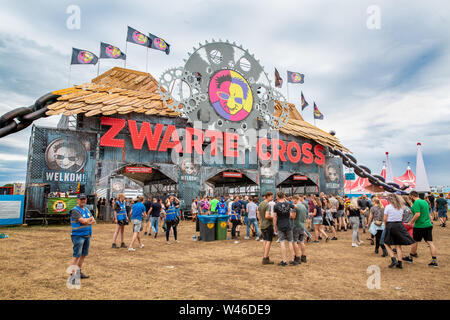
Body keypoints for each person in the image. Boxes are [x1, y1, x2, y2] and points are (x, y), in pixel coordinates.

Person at [406, 191, 438, 267]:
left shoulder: (416, 203)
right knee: (430, 242)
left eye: (410, 196)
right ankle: (434, 260)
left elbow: (417, 214)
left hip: (419, 226)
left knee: (414, 241)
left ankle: (410, 257)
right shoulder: (424, 201)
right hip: (428, 224)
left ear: (412, 196)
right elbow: (424, 212)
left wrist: (411, 222)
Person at [383, 194, 415, 269]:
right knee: (398, 245)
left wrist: (385, 226)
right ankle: (400, 263)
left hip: (390, 224)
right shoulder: (401, 207)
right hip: (399, 225)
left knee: (386, 243)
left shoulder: (388, 207)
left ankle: (393, 259)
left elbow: (385, 218)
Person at [68, 194, 95, 281]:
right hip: (78, 236)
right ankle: (72, 274)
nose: (83, 201)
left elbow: (93, 220)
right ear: (77, 200)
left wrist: (89, 220)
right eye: (81, 199)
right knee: (76, 256)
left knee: (83, 255)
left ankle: (79, 272)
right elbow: (83, 221)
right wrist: (88, 220)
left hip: (86, 235)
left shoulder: (86, 209)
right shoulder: (75, 210)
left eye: (84, 199)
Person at [273, 191, 297, 266]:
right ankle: (292, 260)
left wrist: (274, 226)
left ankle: (284, 261)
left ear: (277, 196)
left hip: (280, 225)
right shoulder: (288, 204)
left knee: (282, 242)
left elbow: (274, 217)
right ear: (284, 196)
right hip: (288, 224)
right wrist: (287, 202)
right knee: (290, 242)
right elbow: (296, 207)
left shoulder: (276, 205)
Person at [258, 192, 275, 265]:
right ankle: (265, 258)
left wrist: (260, 221)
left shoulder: (261, 204)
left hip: (262, 224)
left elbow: (258, 214)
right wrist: (273, 218)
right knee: (269, 241)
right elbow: (267, 216)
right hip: (268, 224)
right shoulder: (268, 205)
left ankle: (266, 256)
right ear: (267, 197)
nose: (272, 198)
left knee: (265, 240)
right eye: (271, 197)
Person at [292, 195, 308, 263]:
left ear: (295, 199)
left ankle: (297, 257)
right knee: (301, 242)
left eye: (293, 199)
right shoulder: (304, 206)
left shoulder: (295, 206)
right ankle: (304, 257)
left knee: (294, 242)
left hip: (295, 225)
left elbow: (293, 216)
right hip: (302, 225)